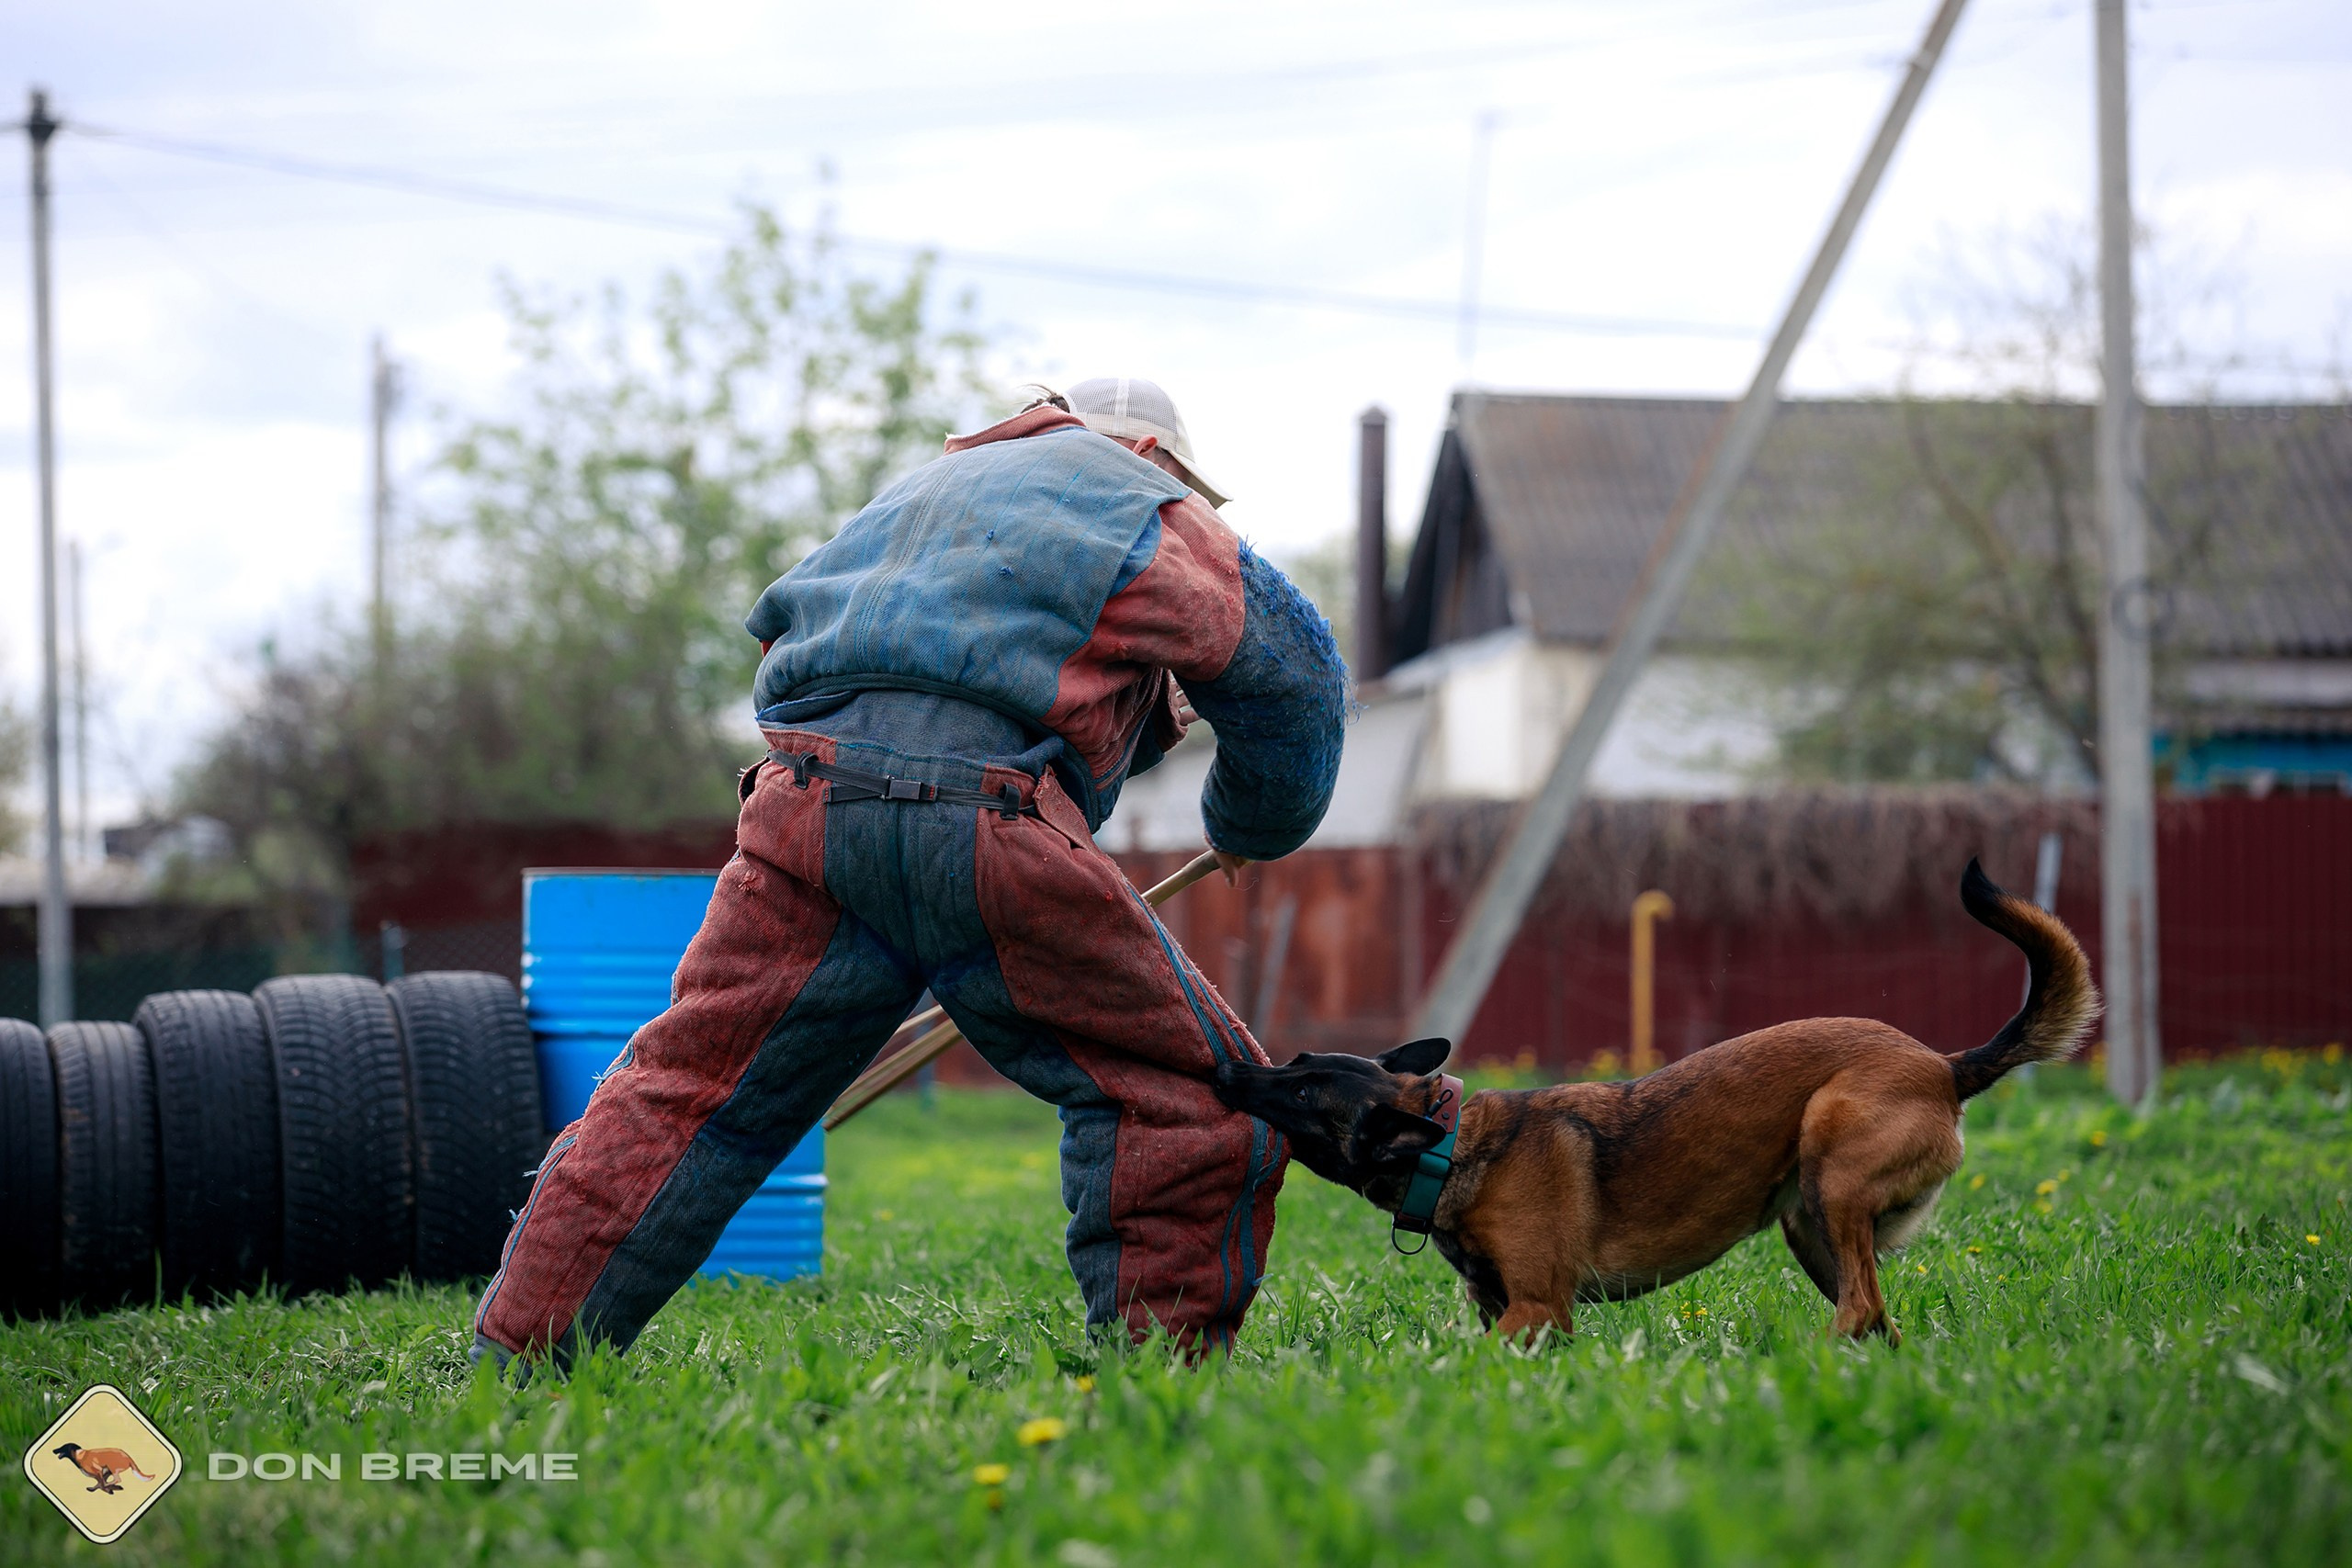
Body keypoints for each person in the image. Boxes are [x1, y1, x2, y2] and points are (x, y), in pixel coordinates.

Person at [471, 377, 1347, 1367]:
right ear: (1157, 458)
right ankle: (1165, 1381)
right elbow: (1295, 679)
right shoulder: (1145, 505)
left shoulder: (917, 495)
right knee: (1188, 1095)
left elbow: (816, 647)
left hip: (803, 808)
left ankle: (517, 1359)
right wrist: (1249, 823)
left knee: (686, 1091)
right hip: (988, 823)